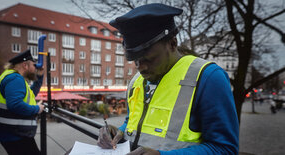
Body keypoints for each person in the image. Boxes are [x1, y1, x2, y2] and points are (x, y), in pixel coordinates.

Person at [97, 3, 239, 155]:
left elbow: (226, 149)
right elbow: (134, 123)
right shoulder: (136, 82)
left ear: (172, 43)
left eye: (149, 59)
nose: (141, 67)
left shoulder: (208, 77)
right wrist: (119, 131)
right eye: (135, 61)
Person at [0, 49, 45, 155]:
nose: (35, 67)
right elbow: (15, 105)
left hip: (11, 132)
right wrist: (37, 109)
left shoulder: (12, 76)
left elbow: (31, 94)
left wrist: (39, 77)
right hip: (14, 134)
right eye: (33, 65)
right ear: (25, 65)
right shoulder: (15, 79)